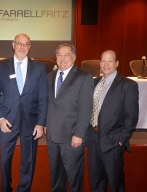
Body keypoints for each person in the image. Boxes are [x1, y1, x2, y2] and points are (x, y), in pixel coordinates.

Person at [0, 33, 48, 192]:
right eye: (19, 43)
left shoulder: (39, 68)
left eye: (26, 44)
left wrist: (40, 122)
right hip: (7, 121)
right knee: (4, 160)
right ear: (13, 45)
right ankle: (5, 188)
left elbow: (43, 97)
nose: (22, 47)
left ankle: (24, 189)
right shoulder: (2, 67)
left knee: (28, 161)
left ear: (30, 47)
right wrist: (0, 118)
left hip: (31, 122)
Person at [87, 50, 139, 192]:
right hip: (92, 139)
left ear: (116, 63)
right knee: (96, 182)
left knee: (116, 184)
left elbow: (132, 116)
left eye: (110, 61)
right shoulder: (93, 82)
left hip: (113, 142)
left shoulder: (128, 85)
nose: (106, 64)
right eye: (103, 61)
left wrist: (121, 140)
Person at [45, 43, 94, 192]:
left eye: (66, 54)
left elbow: (86, 109)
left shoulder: (84, 78)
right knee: (56, 180)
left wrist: (79, 134)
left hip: (72, 138)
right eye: (59, 55)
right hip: (52, 137)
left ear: (74, 57)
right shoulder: (50, 76)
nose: (62, 58)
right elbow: (48, 103)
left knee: (74, 181)